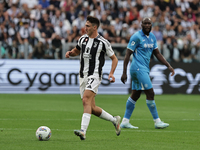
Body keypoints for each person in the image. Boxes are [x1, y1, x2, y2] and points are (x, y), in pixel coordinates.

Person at [65, 15, 121, 140]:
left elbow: (114, 59)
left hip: (94, 75)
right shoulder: (82, 39)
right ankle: (114, 120)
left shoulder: (103, 42)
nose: (85, 28)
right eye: (85, 25)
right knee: (92, 108)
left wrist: (111, 73)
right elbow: (77, 51)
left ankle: (83, 131)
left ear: (95, 27)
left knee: (85, 99)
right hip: (82, 76)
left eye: (88, 26)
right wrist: (70, 53)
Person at [120, 17, 175, 129]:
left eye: (149, 24)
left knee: (136, 94)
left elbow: (157, 54)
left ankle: (125, 121)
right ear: (141, 25)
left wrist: (168, 65)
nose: (147, 25)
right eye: (145, 24)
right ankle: (157, 121)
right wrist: (124, 72)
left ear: (151, 25)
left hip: (143, 68)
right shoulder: (136, 37)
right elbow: (127, 55)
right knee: (150, 93)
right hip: (138, 68)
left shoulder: (153, 37)